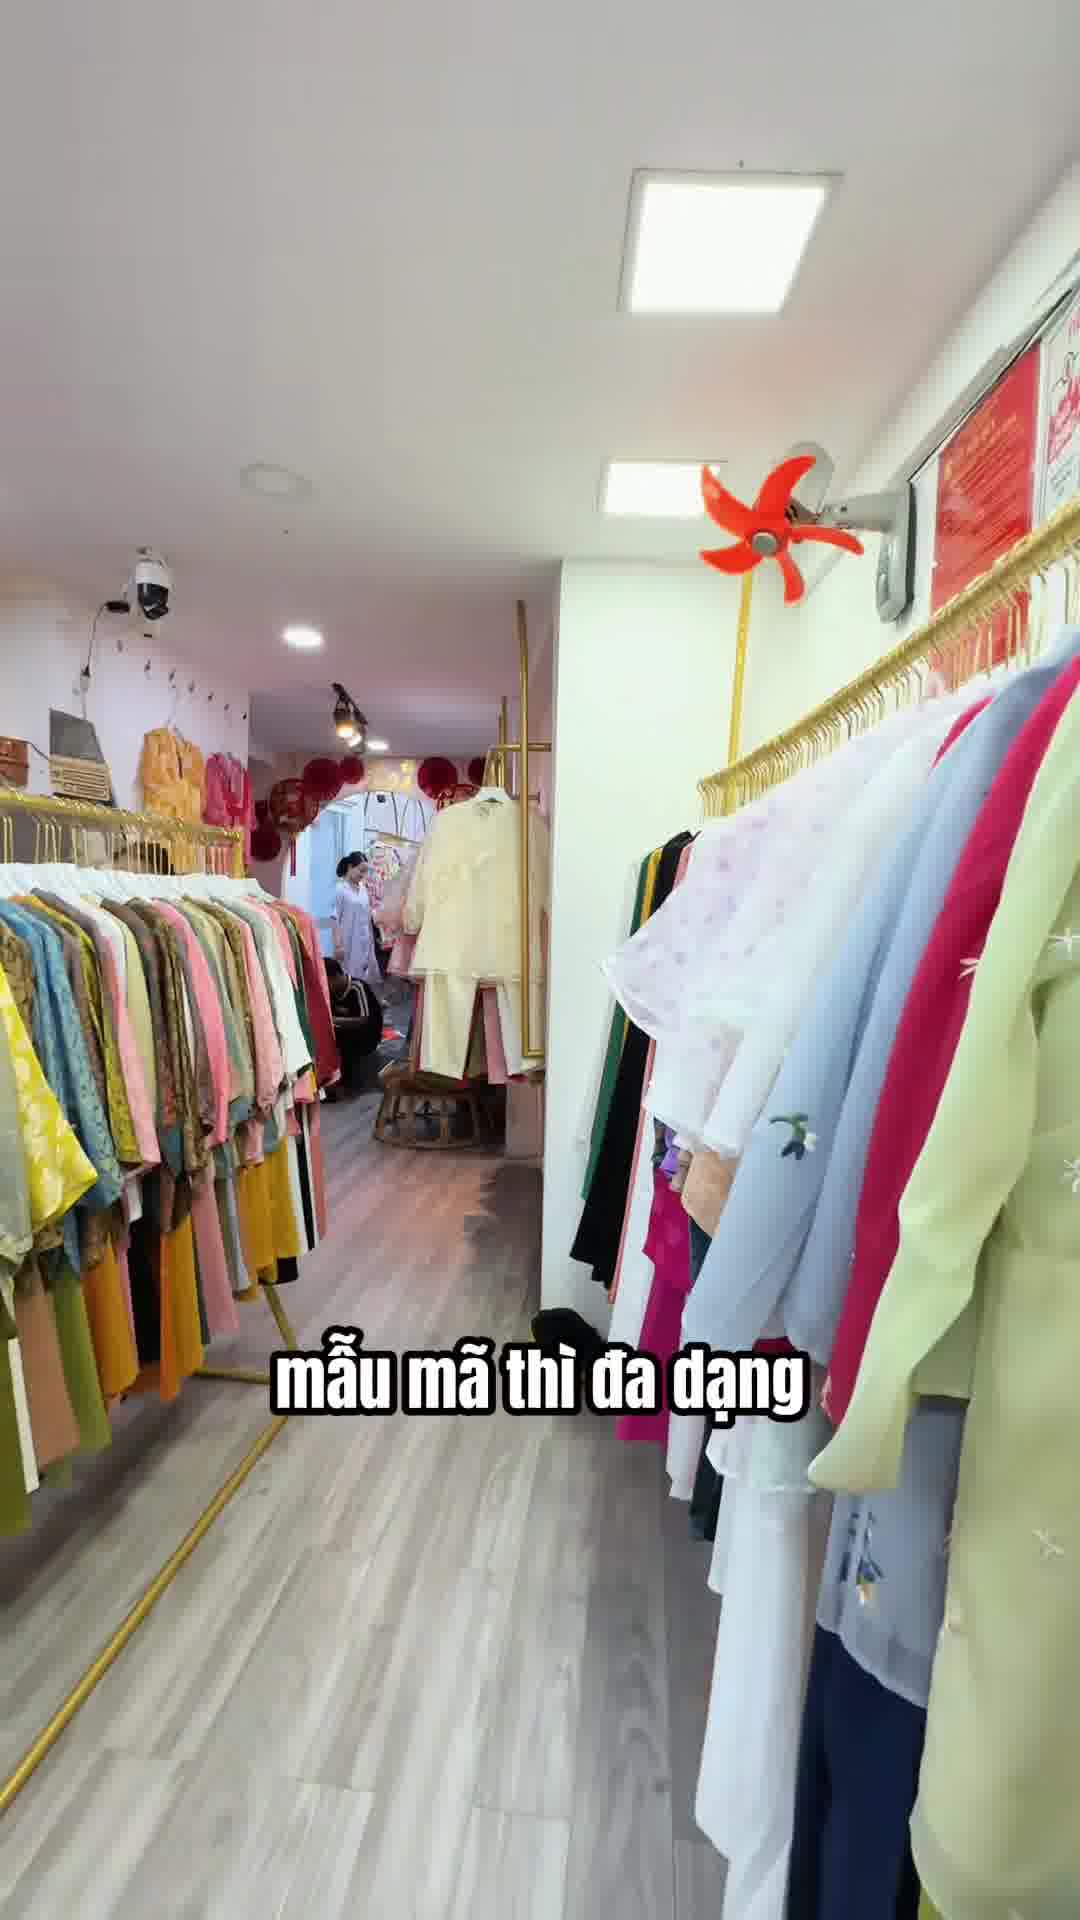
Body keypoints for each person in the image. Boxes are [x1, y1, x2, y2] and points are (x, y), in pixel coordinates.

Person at [324, 957, 383, 1091]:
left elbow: (364, 1020)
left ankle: (347, 1084)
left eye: (327, 982)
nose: (326, 986)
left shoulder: (357, 987)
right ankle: (336, 1081)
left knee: (341, 1041)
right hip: (347, 1032)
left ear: (336, 976)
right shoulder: (332, 992)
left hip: (367, 1035)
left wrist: (334, 1020)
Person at [331, 851, 383, 995]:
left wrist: (371, 941)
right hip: (348, 942)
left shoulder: (363, 890)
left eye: (365, 871)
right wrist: (338, 945)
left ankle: (363, 1001)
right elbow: (335, 919)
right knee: (348, 978)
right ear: (350, 867)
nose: (363, 875)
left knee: (364, 978)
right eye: (361, 870)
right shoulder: (340, 889)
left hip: (365, 941)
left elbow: (367, 917)